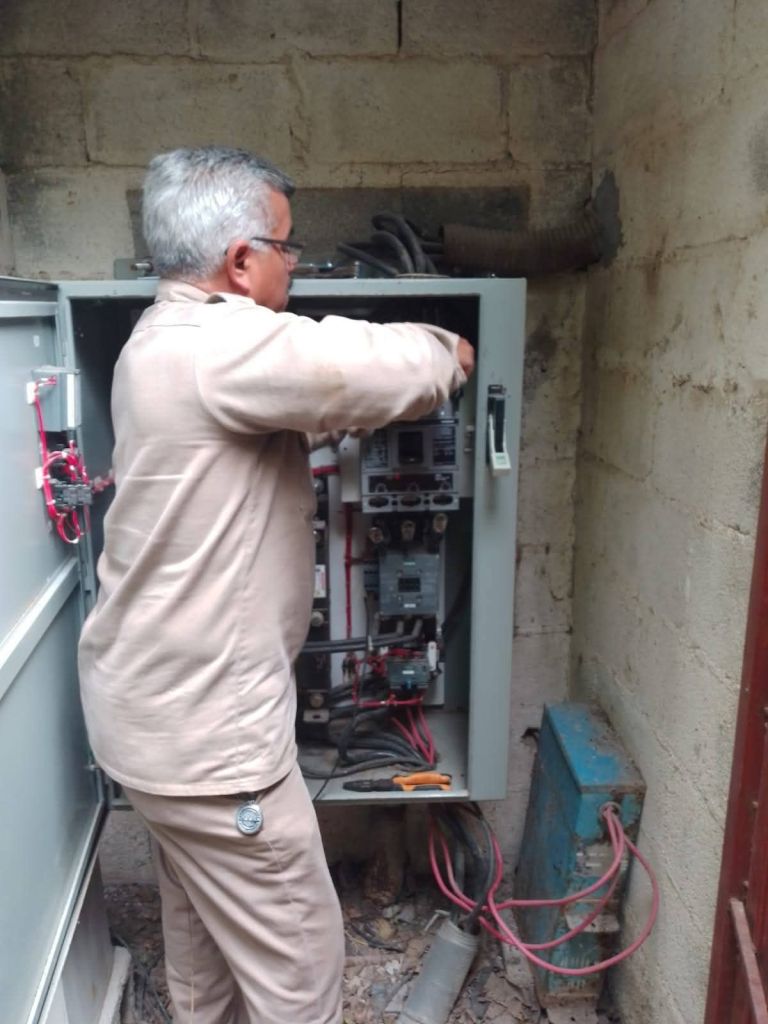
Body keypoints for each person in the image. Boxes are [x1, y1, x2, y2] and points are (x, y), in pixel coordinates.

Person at [78, 145, 475, 1024]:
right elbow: (369, 366)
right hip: (213, 751)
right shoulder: (218, 343)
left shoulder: (158, 337)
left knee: (202, 940)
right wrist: (448, 349)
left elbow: (267, 415)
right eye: (287, 248)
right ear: (239, 261)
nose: (294, 265)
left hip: (148, 725)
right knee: (299, 967)